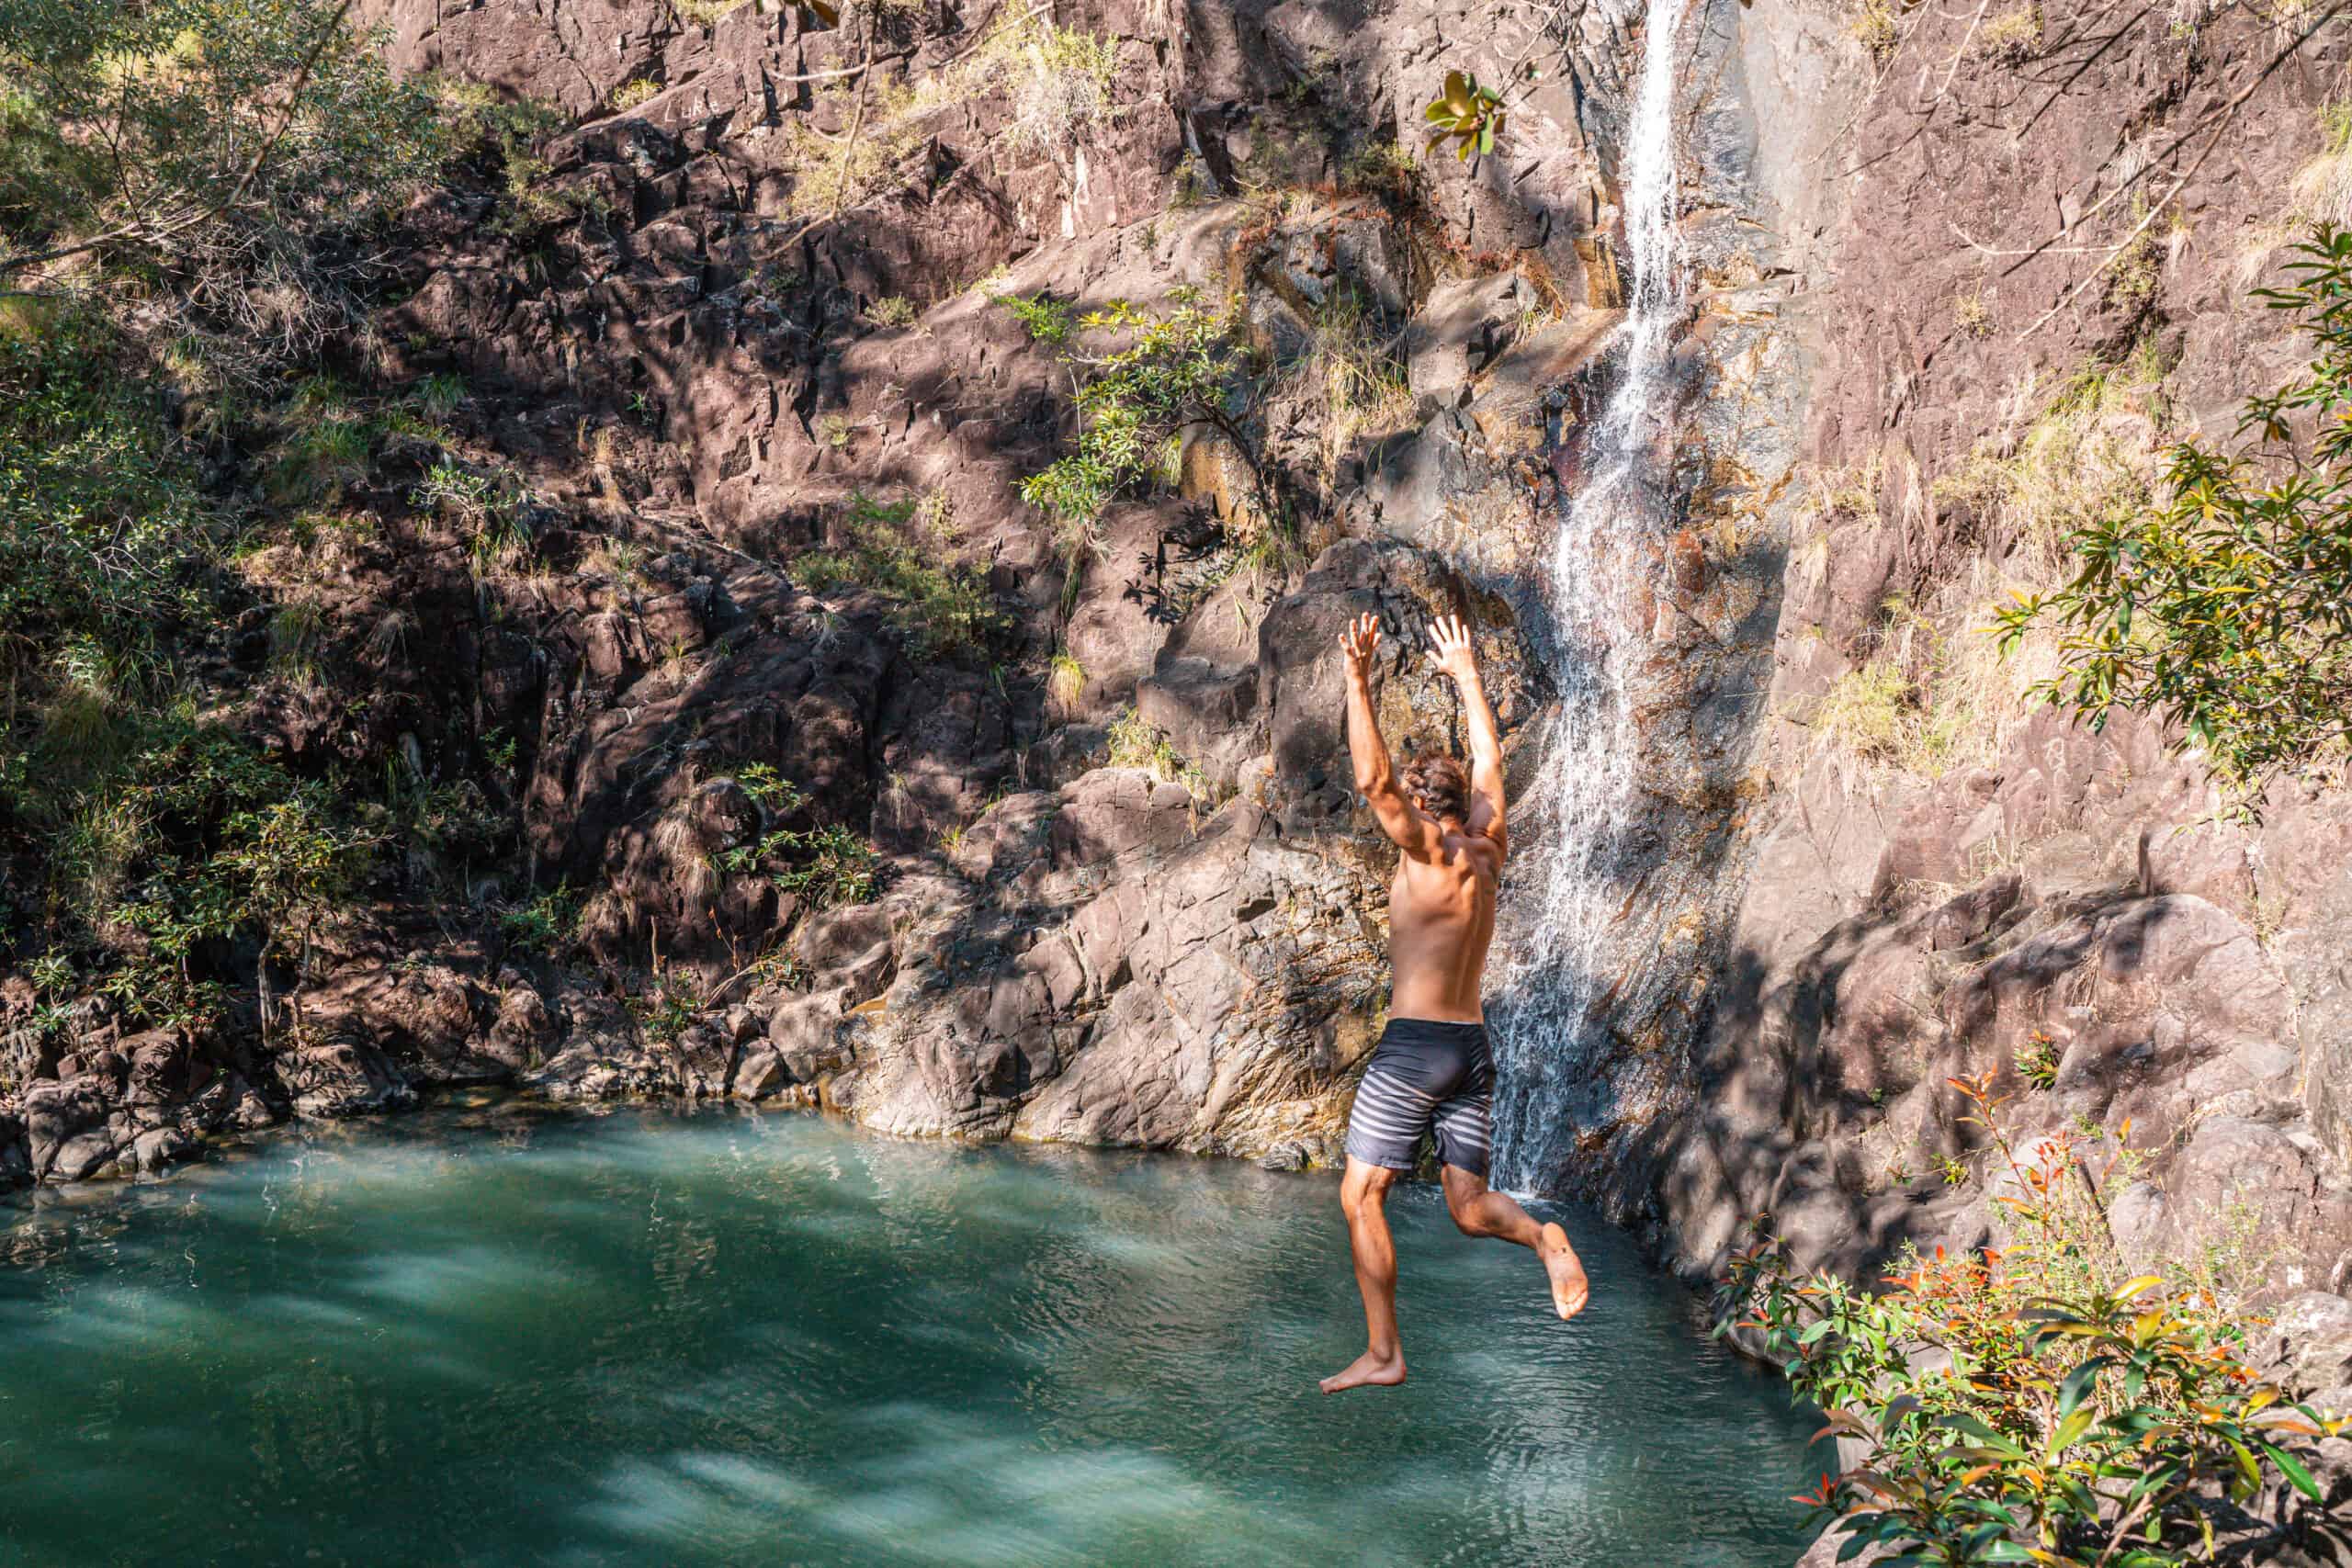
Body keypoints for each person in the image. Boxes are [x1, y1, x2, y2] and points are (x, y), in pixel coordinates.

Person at [1320, 610, 1590, 1395]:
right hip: (1474, 1051)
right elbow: (1489, 758)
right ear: (1464, 804)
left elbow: (1372, 781)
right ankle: (1543, 1237)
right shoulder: (1491, 846)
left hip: (1415, 1048)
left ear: (1418, 804)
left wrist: (1357, 678)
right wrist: (1468, 676)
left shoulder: (1431, 850)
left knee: (1359, 1192)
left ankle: (1383, 1351)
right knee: (1468, 1206)